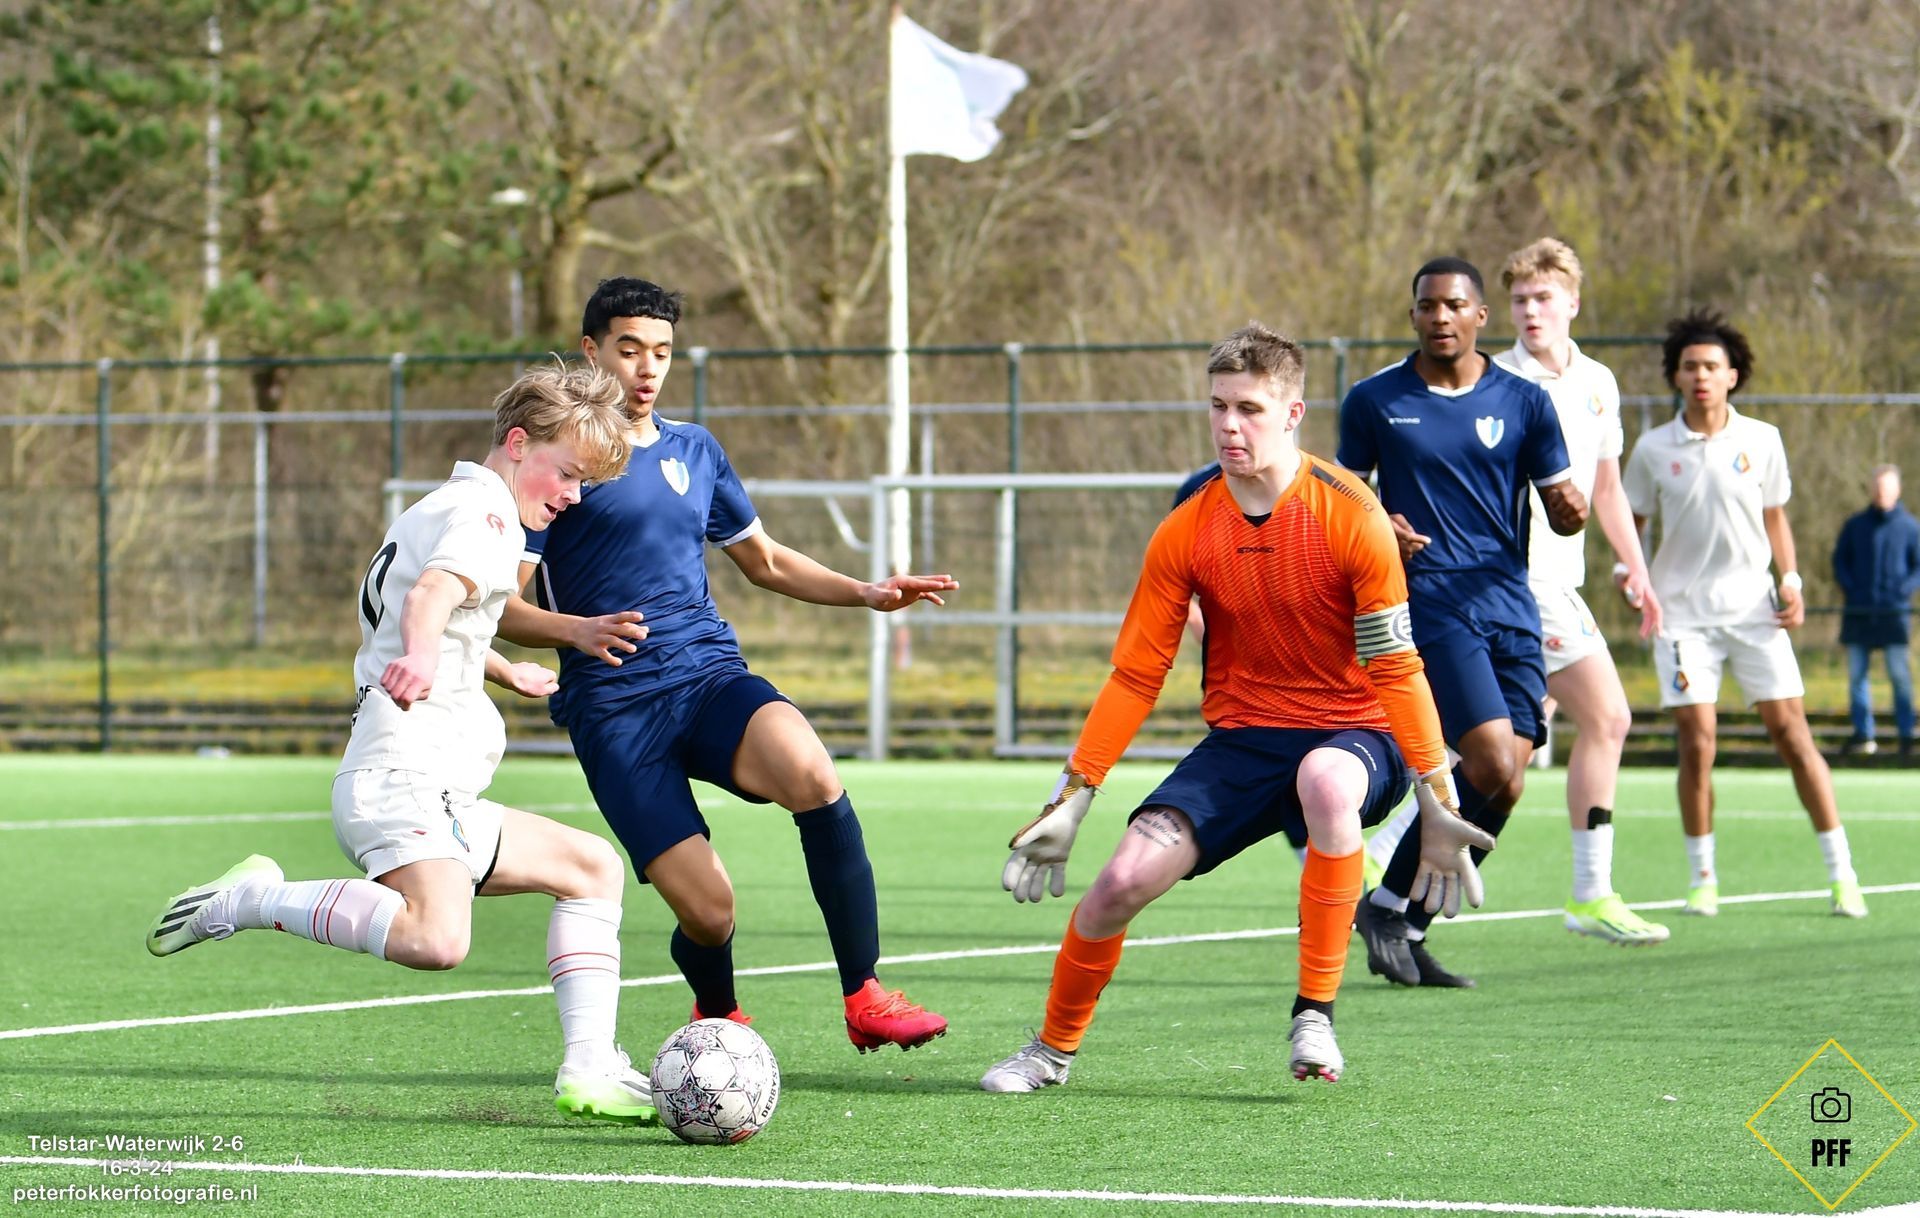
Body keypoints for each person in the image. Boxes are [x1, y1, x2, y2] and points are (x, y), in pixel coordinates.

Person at [980, 323, 1493, 1093]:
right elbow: (1136, 675)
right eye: (1218, 406)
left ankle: (1314, 1014)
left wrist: (1437, 797)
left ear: (1293, 414)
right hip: (1245, 738)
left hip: (1357, 730)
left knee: (1326, 781)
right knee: (1120, 881)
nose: (1229, 425)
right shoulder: (1186, 528)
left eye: (1249, 408)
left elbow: (1396, 666)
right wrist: (1074, 795)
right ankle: (1051, 1052)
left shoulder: (1353, 514)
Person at [147, 365, 653, 1122]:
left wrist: (500, 666)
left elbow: (445, 616)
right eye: (570, 474)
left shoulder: (445, 506)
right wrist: (419, 656)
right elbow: (429, 597)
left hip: (435, 786)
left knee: (591, 868)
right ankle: (250, 900)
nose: (574, 495)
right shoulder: (487, 517)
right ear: (519, 444)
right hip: (401, 777)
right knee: (435, 939)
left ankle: (590, 1068)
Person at [496, 277, 955, 1052]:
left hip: (707, 676)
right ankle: (719, 1013)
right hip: (615, 712)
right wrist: (575, 631)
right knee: (711, 914)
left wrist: (866, 591)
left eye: (662, 352)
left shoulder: (695, 449)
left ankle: (866, 993)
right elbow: (502, 605)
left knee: (812, 772)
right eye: (629, 349)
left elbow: (765, 561)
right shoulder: (560, 464)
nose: (647, 368)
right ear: (591, 351)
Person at [1360, 240, 1668, 945]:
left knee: (1506, 757)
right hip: (1514, 584)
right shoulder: (1496, 384)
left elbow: (1604, 490)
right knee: (1605, 720)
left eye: (1544, 298)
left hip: (1554, 585)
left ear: (1573, 302)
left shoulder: (1598, 382)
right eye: (1521, 300)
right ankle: (1590, 893)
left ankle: (1393, 878)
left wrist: (1636, 565)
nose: (1531, 311)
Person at [1337, 257, 1590, 989]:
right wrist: (1380, 525)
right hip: (1430, 602)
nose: (1440, 317)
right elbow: (1343, 500)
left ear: (1481, 315)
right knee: (1488, 763)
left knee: (1506, 785)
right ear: (1413, 315)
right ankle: (1389, 906)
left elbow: (1562, 506)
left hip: (1511, 602)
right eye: (1427, 306)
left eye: (1453, 305)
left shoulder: (1525, 401)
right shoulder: (1375, 400)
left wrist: (1571, 510)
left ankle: (1398, 916)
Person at [1624, 310, 1867, 918]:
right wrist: (1632, 577)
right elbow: (1632, 523)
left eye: (1712, 366)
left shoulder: (1763, 440)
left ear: (1732, 376)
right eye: (1690, 367)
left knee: (1793, 736)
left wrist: (1791, 579)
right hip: (1680, 619)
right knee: (1697, 742)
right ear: (1676, 377)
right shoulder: (1652, 449)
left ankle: (1843, 874)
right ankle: (1702, 879)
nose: (1701, 376)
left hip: (1755, 614)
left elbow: (1775, 515)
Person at [1174, 460, 1309, 866]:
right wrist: (1199, 623)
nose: (1233, 430)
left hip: (1308, 673)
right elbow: (1179, 579)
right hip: (1237, 680)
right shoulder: (1197, 489)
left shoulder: (1318, 489)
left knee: (1320, 779)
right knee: (1277, 778)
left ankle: (1343, 868)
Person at [1831, 464, 1920, 757]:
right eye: (1878, 487)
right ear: (1871, 489)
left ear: (1897, 490)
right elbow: (1840, 561)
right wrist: (1852, 589)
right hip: (1859, 614)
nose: (1881, 493)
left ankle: (1906, 734)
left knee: (1899, 676)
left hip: (1894, 616)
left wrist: (1902, 591)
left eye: (1887, 488)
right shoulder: (1855, 525)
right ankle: (1864, 735)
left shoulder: (1910, 527)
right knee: (1857, 676)